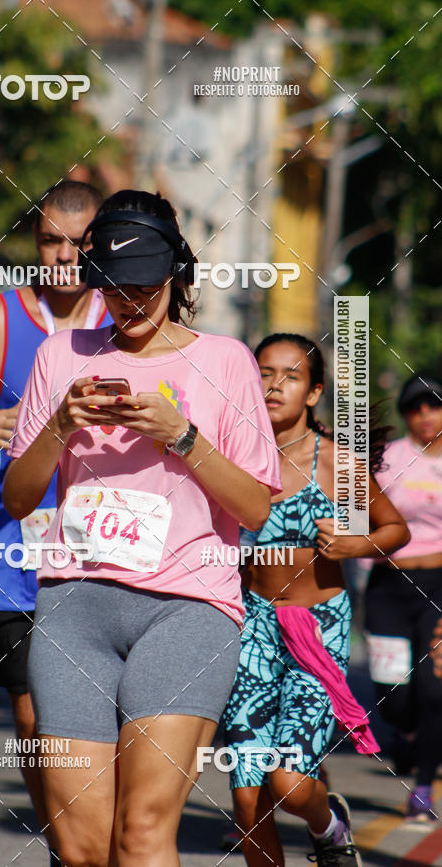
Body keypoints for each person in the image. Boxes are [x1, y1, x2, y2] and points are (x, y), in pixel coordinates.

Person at [3, 189, 282, 867]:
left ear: (176, 276)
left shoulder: (226, 360)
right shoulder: (61, 355)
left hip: (187, 608)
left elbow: (256, 509)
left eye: (143, 286)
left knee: (142, 832)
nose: (127, 301)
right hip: (75, 606)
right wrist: (59, 425)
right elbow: (17, 499)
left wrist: (183, 436)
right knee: (81, 847)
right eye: (112, 286)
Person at [0, 180, 111, 854]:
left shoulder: (126, 317)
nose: (64, 255)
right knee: (34, 721)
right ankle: (64, 850)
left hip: (109, 547)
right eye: (50, 241)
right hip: (18, 551)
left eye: (79, 243)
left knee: (102, 721)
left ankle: (100, 842)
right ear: (34, 242)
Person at [222, 333, 409, 867]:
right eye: (263, 374)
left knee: (287, 782)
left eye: (291, 376)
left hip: (317, 630)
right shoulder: (232, 456)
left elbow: (395, 529)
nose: (274, 385)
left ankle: (329, 827)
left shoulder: (334, 463)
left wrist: (355, 543)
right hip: (251, 628)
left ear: (313, 393)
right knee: (247, 798)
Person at [365, 374, 442, 825]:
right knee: (393, 695)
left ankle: (424, 787)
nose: (425, 415)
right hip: (389, 587)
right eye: (415, 407)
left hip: (439, 587)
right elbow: (359, 515)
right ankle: (408, 732)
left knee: (434, 688)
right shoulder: (388, 458)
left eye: (434, 405)